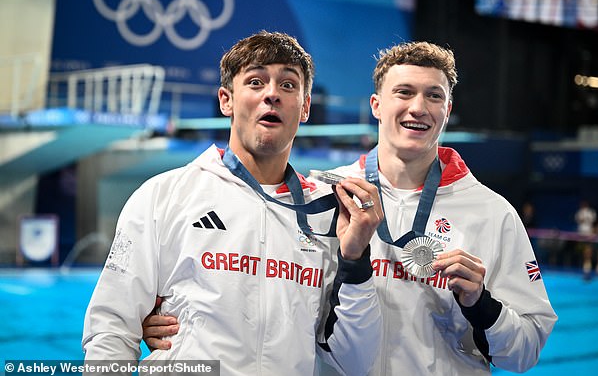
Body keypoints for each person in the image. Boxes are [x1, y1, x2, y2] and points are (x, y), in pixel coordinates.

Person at [144, 40, 558, 374]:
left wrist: (482, 306)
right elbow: (263, 285)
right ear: (377, 105)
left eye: (434, 96)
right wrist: (178, 316)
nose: (418, 107)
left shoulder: (492, 213)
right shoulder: (321, 197)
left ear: (447, 111)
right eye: (404, 92)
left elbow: (524, 353)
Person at [82, 31, 385, 375]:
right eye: (256, 82)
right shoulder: (164, 196)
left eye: (288, 85)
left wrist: (355, 261)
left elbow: (356, 361)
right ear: (226, 100)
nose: (272, 94)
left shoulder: (330, 214)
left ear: (305, 107)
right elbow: (112, 326)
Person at [574, 199, 597, 278]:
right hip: (581, 236)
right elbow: (578, 220)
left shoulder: (591, 212)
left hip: (588, 235)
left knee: (588, 253)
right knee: (582, 253)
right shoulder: (579, 212)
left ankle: (587, 270)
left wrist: (592, 234)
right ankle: (583, 268)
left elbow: (593, 223)